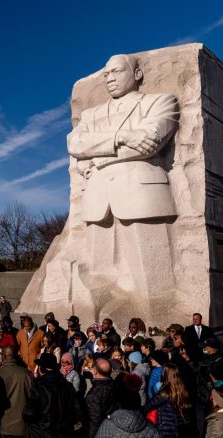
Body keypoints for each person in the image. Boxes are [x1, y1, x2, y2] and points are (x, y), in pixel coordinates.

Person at [67, 53, 180, 319]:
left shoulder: (161, 101)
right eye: (106, 74)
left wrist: (95, 157)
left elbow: (152, 141)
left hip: (142, 195)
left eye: (116, 72)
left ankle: (158, 329)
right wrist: (123, 135)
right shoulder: (91, 114)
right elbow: (75, 145)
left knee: (152, 282)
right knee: (97, 280)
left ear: (137, 74)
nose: (110, 79)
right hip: (98, 200)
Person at [23, 352, 76, 437]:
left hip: (41, 433)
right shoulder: (67, 385)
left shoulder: (39, 386)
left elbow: (28, 414)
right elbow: (75, 411)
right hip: (63, 432)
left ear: (41, 368)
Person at [144, 363, 194, 438]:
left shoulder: (165, 393)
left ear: (165, 375)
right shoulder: (183, 390)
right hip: (183, 426)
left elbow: (149, 406)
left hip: (167, 428)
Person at [0, 345, 32, 438]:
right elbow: (33, 399)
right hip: (21, 426)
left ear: (3, 356)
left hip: (2, 426)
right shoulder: (27, 374)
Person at [85, 357, 117, 438]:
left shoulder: (93, 394)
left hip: (102, 431)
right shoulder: (117, 385)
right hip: (114, 427)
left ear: (95, 371)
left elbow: (94, 421)